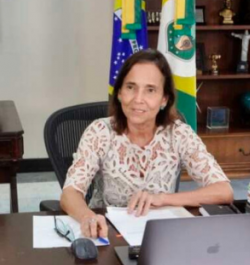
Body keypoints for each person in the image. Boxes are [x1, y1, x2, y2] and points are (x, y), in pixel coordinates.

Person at [61, 49, 234, 240]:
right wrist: (87, 217)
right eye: (130, 87)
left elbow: (223, 191)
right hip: (107, 234)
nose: (138, 99)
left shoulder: (179, 133)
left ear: (164, 99)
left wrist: (163, 199)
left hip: (159, 235)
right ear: (119, 93)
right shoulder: (100, 131)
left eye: (150, 90)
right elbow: (70, 193)